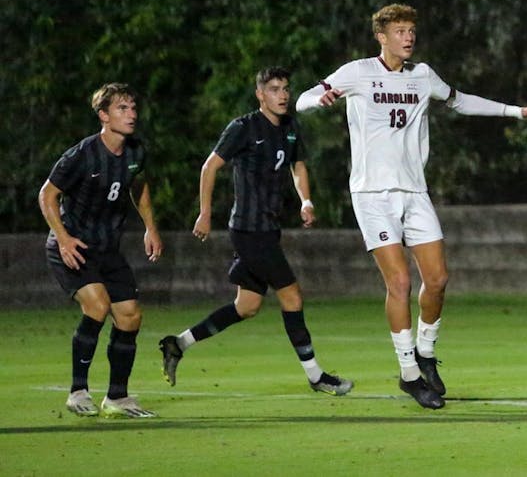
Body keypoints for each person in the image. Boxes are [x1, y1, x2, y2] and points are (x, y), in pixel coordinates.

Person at [296, 3, 527, 409]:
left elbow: (460, 101)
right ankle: (409, 374)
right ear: (381, 36)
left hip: (415, 192)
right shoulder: (358, 72)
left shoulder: (422, 76)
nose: (408, 36)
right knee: (399, 283)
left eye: (411, 29)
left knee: (437, 280)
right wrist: (321, 99)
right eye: (400, 30)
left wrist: (516, 112)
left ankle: (426, 354)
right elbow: (302, 99)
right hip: (372, 195)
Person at [158, 67, 353, 395]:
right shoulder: (243, 128)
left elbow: (298, 165)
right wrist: (205, 214)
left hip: (268, 228)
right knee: (291, 295)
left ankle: (179, 343)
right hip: (249, 230)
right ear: (260, 95)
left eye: (286, 89)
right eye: (275, 89)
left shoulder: (290, 127)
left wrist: (306, 200)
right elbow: (210, 166)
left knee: (246, 306)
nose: (283, 95)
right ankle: (316, 376)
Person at [39, 83, 162, 418]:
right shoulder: (82, 155)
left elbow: (139, 187)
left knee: (130, 316)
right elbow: (47, 195)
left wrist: (150, 227)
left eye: (133, 107)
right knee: (97, 306)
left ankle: (117, 398)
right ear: (104, 116)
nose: (132, 114)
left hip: (109, 248)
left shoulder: (136, 152)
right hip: (73, 245)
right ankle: (78, 392)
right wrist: (63, 239)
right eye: (123, 108)